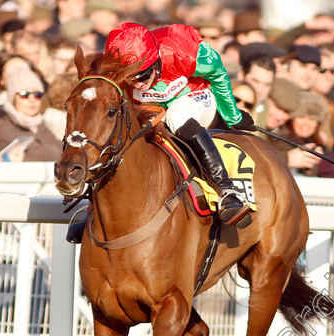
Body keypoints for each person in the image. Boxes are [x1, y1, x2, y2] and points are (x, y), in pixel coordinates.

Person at [104, 22, 254, 225]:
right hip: (152, 107)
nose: (138, 83)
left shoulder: (185, 51)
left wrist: (233, 116)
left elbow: (218, 74)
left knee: (177, 115)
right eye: (130, 77)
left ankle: (226, 190)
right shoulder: (116, 70)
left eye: (143, 74)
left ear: (156, 60)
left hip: (195, 96)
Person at [0, 69, 60, 161]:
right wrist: (48, 150)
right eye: (24, 94)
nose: (32, 100)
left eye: (37, 95)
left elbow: (62, 150)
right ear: (13, 97)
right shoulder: (0, 122)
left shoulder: (38, 122)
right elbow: (34, 155)